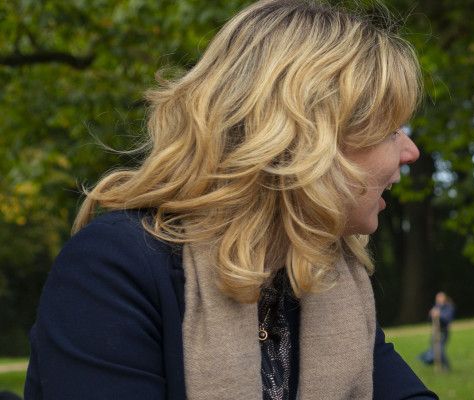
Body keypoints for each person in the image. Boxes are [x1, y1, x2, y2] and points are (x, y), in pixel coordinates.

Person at [25, 1, 434, 398]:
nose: (410, 151)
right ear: (309, 141)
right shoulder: (113, 270)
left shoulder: (326, 278)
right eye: (391, 130)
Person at [420, 291, 456, 371]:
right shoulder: (436, 307)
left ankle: (447, 367)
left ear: (445, 298)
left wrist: (439, 315)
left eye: (441, 297)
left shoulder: (448, 307)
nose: (439, 299)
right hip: (435, 332)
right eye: (438, 297)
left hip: (443, 332)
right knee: (434, 350)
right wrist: (431, 315)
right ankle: (430, 361)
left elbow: (447, 319)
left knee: (439, 350)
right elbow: (429, 320)